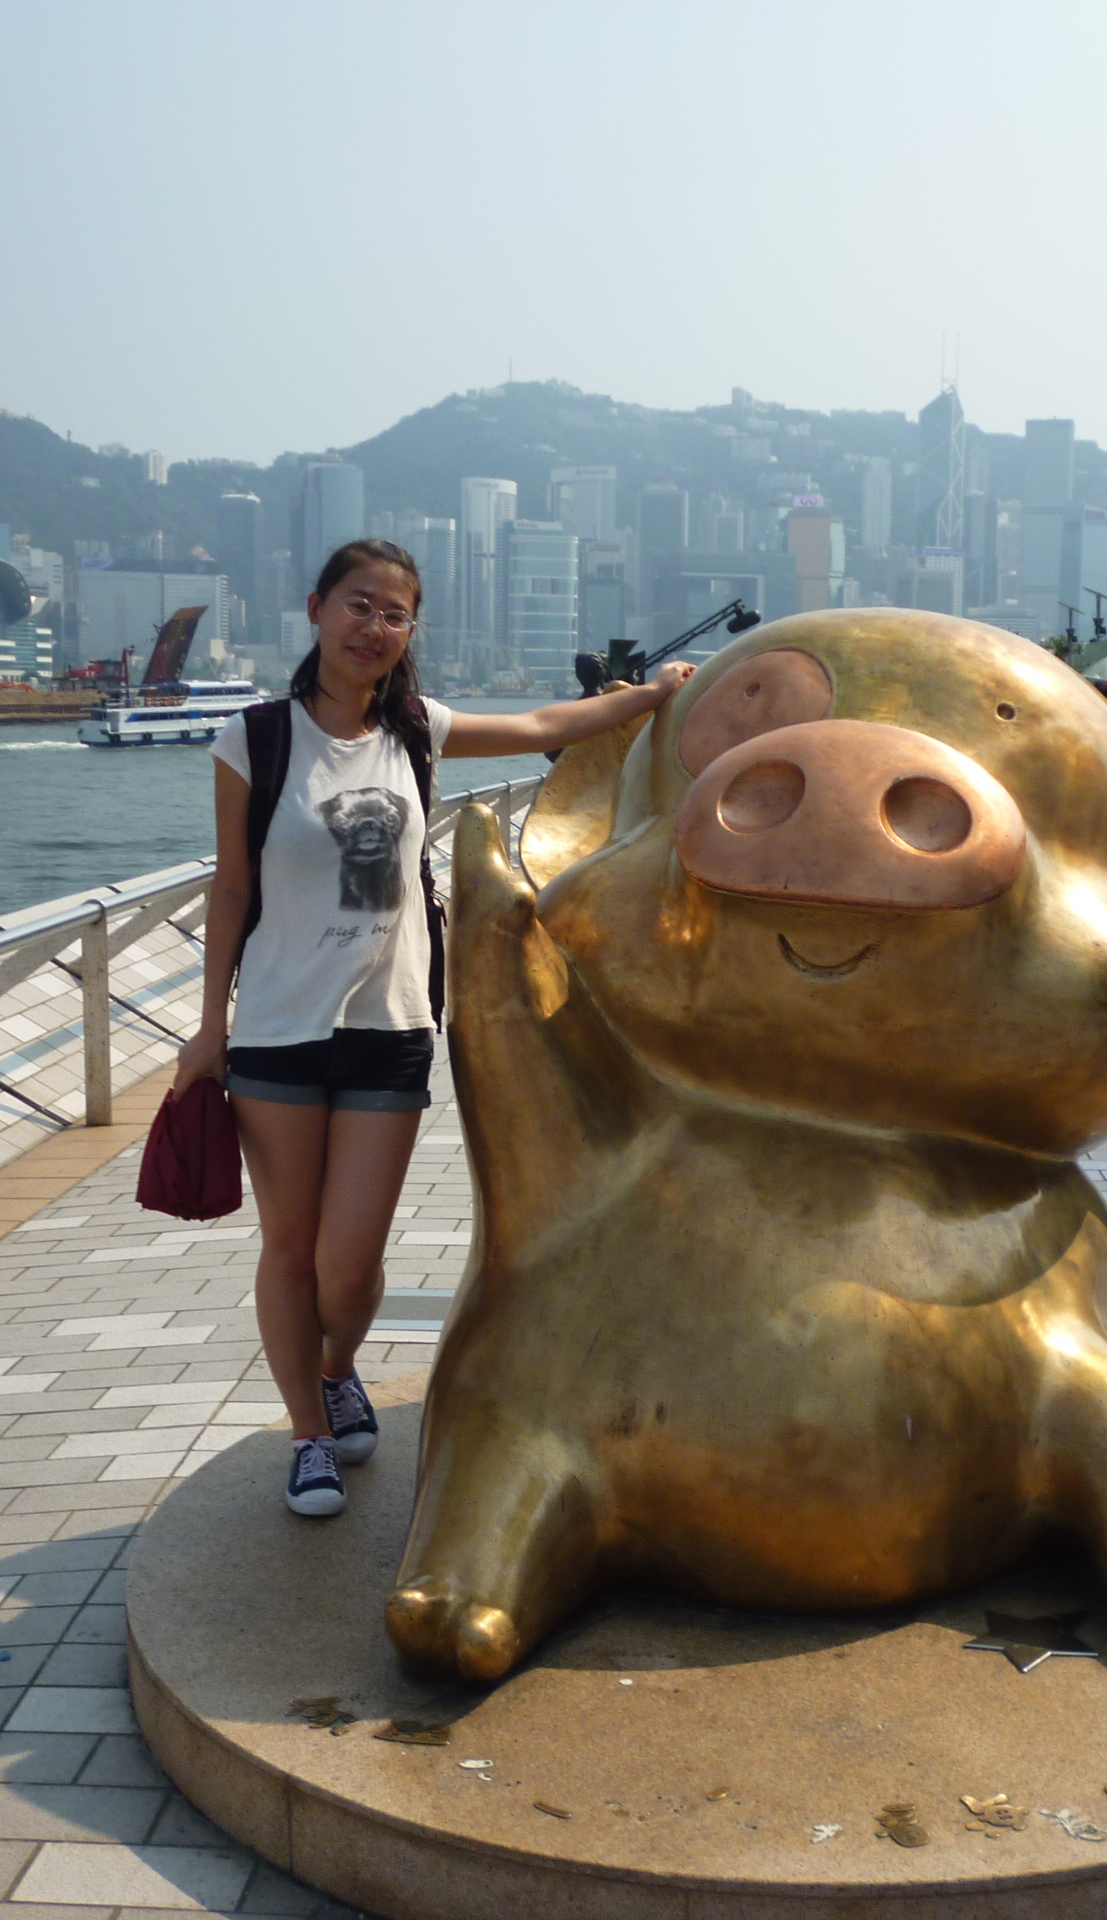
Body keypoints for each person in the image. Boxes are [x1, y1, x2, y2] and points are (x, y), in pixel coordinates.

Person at [171, 538, 695, 1518]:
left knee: (349, 1264)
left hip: (392, 1023)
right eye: (358, 604)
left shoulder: (415, 731)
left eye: (394, 613)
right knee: (289, 1247)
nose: (373, 627)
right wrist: (209, 1027)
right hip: (278, 1029)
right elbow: (232, 887)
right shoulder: (255, 737)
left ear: (410, 630)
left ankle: (337, 1365)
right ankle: (309, 1434)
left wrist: (647, 698)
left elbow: (541, 724)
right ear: (317, 608)